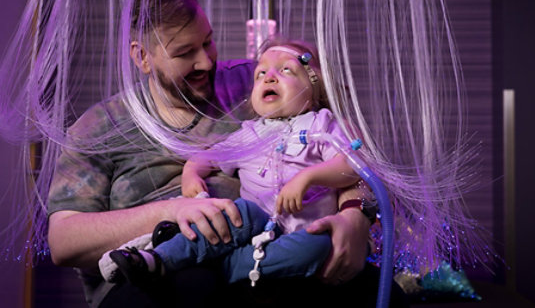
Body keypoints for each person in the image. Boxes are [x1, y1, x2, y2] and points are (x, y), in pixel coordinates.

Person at [46, 0, 387, 308]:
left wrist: (354, 216)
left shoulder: (253, 83)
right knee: (197, 287)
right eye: (185, 53)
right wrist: (172, 210)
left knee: (374, 293)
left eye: (208, 42)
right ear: (142, 57)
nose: (206, 62)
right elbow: (63, 242)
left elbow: (344, 146)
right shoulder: (100, 126)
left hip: (271, 256)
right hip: (164, 279)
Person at [103, 39, 370, 287]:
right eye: (260, 74)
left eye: (286, 71)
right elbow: (207, 157)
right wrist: (191, 173)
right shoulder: (250, 133)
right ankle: (157, 259)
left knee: (320, 247)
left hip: (302, 233)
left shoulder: (323, 123)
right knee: (238, 212)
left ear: (315, 88)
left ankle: (222, 267)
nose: (270, 77)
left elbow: (351, 165)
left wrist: (309, 177)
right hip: (255, 225)